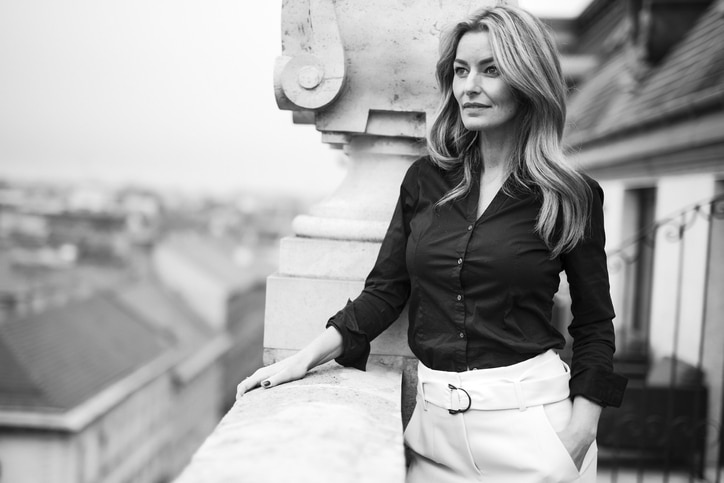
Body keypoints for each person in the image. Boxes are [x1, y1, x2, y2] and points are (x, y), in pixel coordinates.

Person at [237, 5, 627, 482]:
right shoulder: (425, 180)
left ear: (528, 79)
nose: (469, 87)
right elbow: (384, 292)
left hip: (535, 432)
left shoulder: (569, 195)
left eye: (491, 70)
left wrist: (580, 432)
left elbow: (595, 321)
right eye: (461, 71)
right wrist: (302, 358)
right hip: (432, 436)